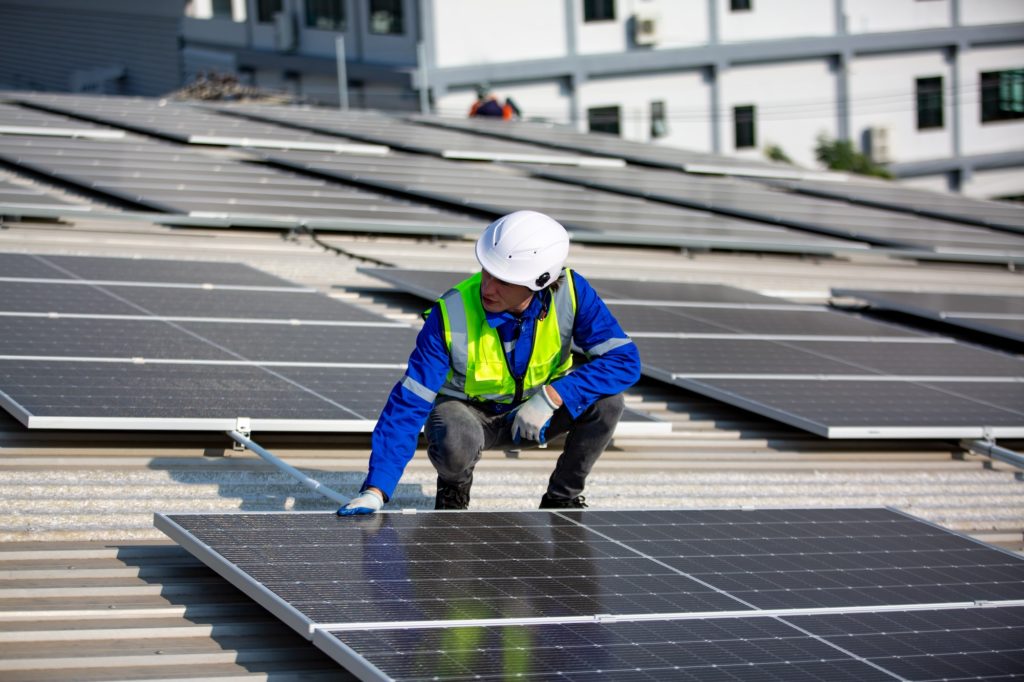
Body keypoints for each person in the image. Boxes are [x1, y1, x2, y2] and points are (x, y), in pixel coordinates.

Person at [338, 210, 641, 515]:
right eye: (487, 271)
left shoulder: (573, 294)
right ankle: (454, 486)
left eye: (504, 281)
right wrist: (376, 490)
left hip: (537, 414)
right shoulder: (451, 313)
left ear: (541, 281)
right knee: (454, 434)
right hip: (471, 417)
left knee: (608, 402)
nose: (488, 287)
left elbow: (624, 360)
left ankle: (561, 498)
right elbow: (408, 402)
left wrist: (554, 395)